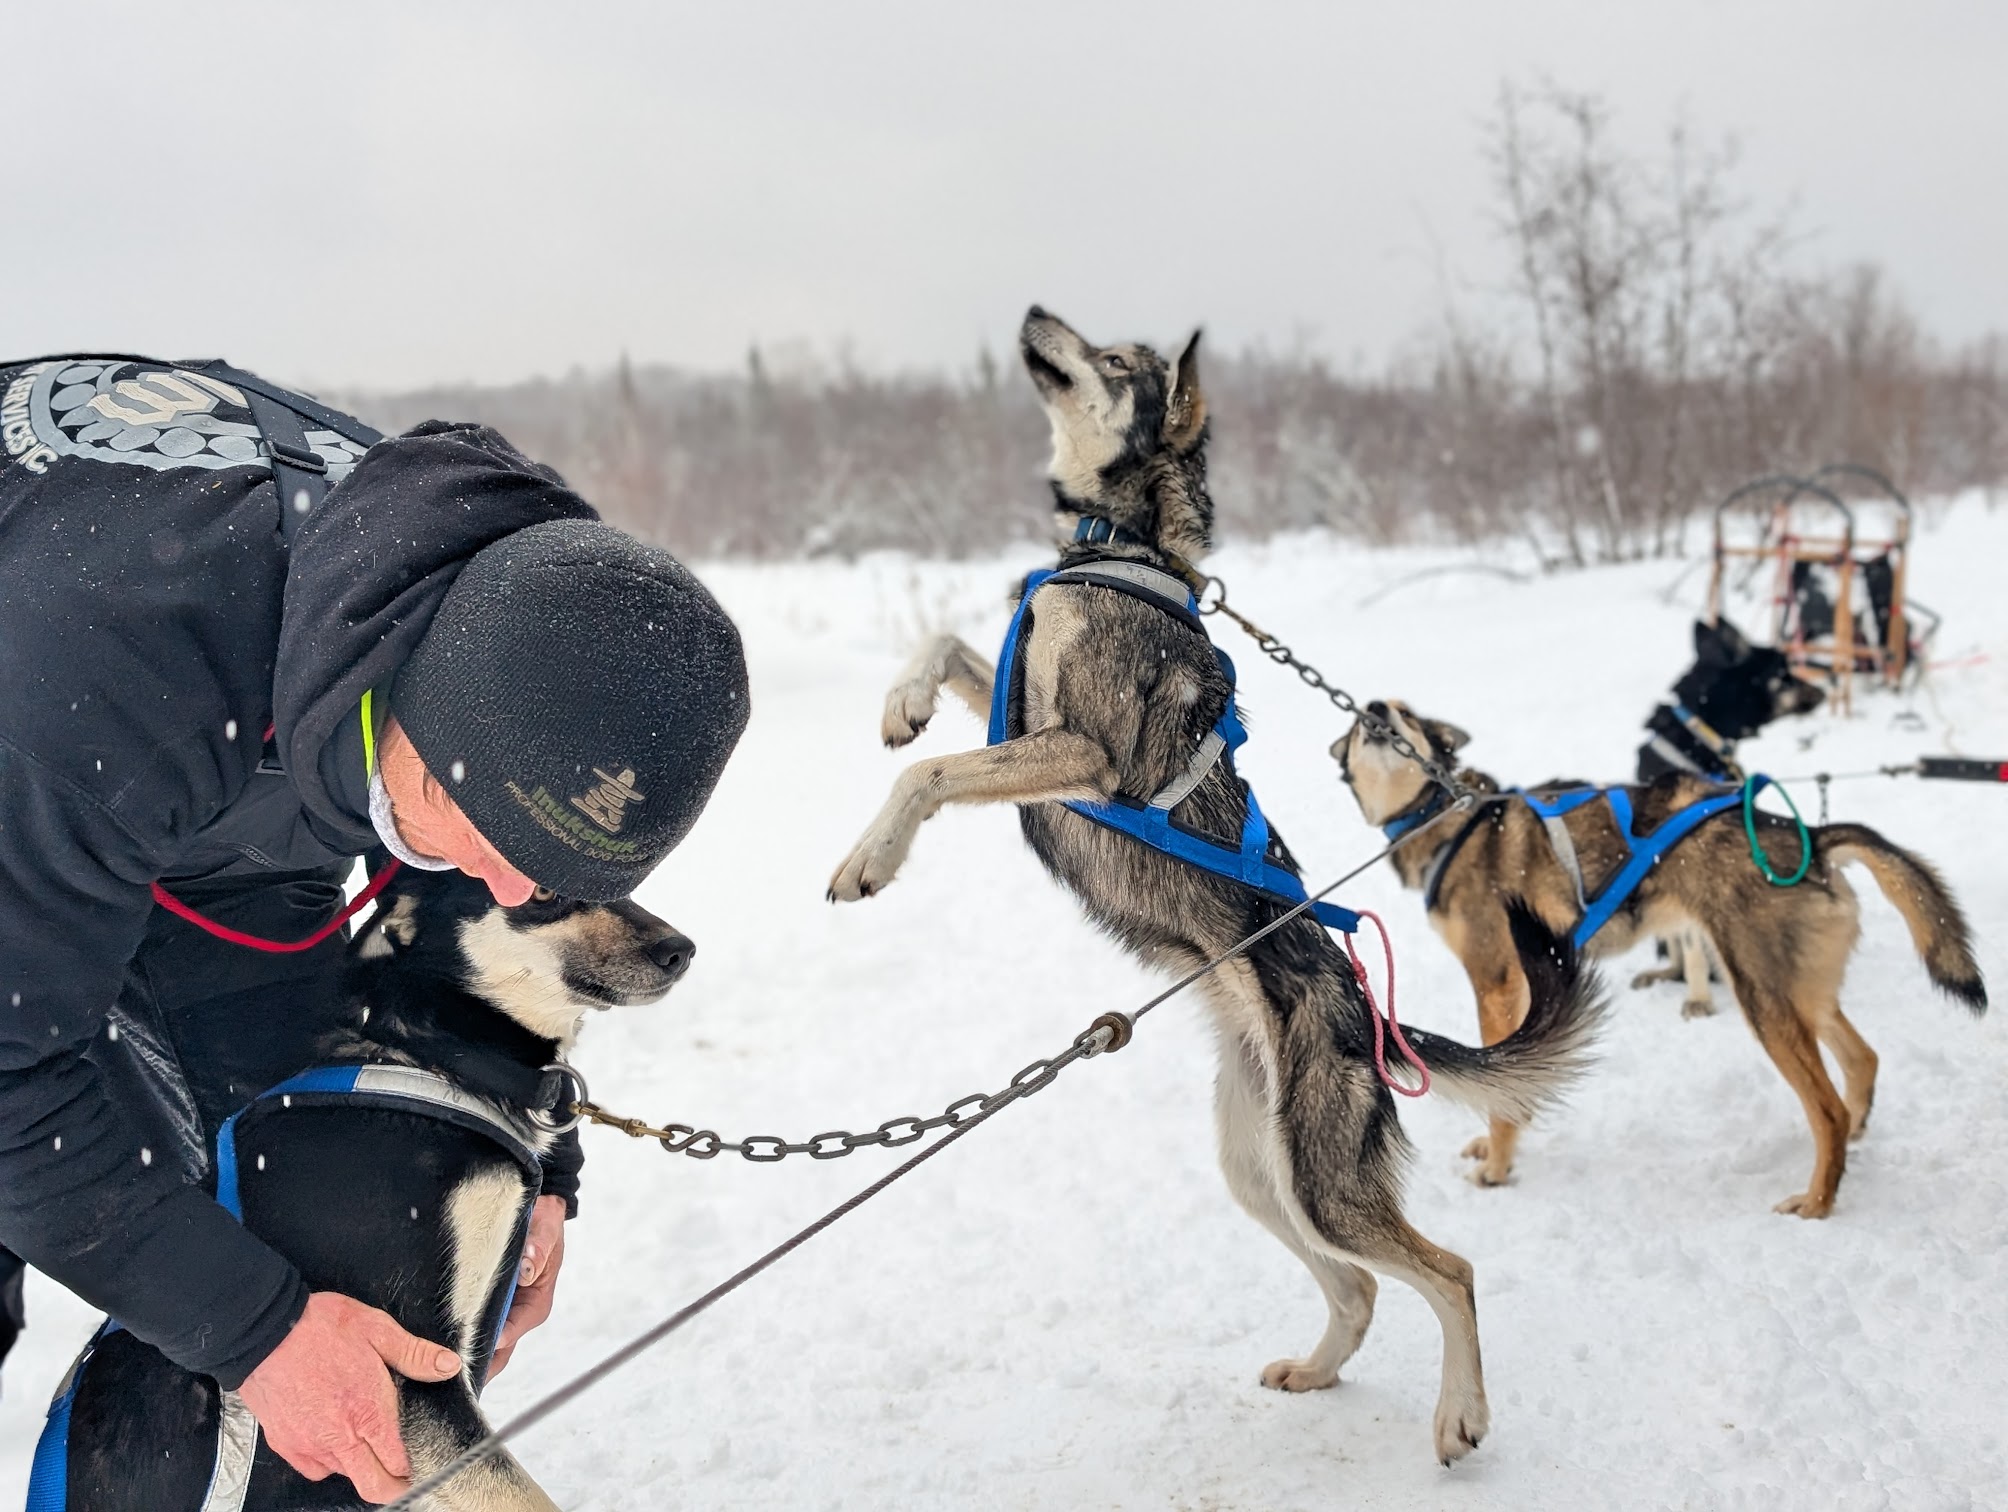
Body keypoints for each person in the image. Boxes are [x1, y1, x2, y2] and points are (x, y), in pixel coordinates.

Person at [0, 355, 749, 1502]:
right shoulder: (105, 675)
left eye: (549, 879)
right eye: (499, 840)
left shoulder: (460, 600)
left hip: (199, 818)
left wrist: (538, 1156)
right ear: (424, 709)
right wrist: (253, 1331)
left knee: (292, 1167)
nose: (503, 884)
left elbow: (416, 939)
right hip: (60, 718)